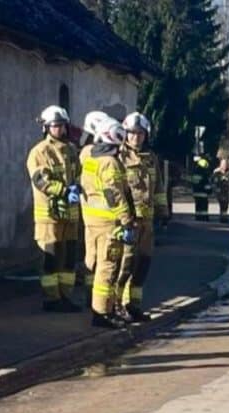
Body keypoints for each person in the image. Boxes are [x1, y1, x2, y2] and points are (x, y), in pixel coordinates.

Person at [80, 115, 136, 329]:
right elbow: (114, 195)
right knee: (108, 267)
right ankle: (102, 313)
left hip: (92, 222)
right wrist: (127, 220)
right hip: (109, 225)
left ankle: (101, 308)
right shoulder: (110, 163)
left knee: (94, 263)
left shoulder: (90, 159)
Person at [26, 105, 82, 312]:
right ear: (46, 127)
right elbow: (41, 181)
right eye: (56, 126)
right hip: (49, 217)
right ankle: (51, 299)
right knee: (50, 260)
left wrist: (78, 185)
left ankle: (65, 297)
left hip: (70, 215)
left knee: (68, 259)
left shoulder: (70, 150)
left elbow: (78, 173)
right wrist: (64, 191)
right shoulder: (39, 152)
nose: (60, 129)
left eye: (62, 125)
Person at [115, 112, 166, 322]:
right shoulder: (119, 157)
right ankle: (116, 306)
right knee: (124, 265)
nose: (136, 137)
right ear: (125, 134)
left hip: (147, 222)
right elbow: (116, 190)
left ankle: (134, 305)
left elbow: (159, 188)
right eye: (132, 133)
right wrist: (124, 218)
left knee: (143, 264)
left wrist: (163, 211)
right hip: (129, 221)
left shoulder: (152, 159)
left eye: (140, 133)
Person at [212, 155, 229, 223]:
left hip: (226, 191)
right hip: (220, 191)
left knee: (226, 205)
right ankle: (223, 217)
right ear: (220, 164)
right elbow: (213, 181)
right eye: (223, 164)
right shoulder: (217, 172)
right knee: (222, 204)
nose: (224, 166)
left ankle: (224, 216)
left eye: (225, 164)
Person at [191, 155, 212, 221]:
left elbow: (193, 183)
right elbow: (207, 185)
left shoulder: (195, 173)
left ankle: (198, 217)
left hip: (196, 193)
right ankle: (204, 218)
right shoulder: (205, 175)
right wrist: (210, 191)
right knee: (204, 206)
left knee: (198, 206)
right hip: (203, 194)